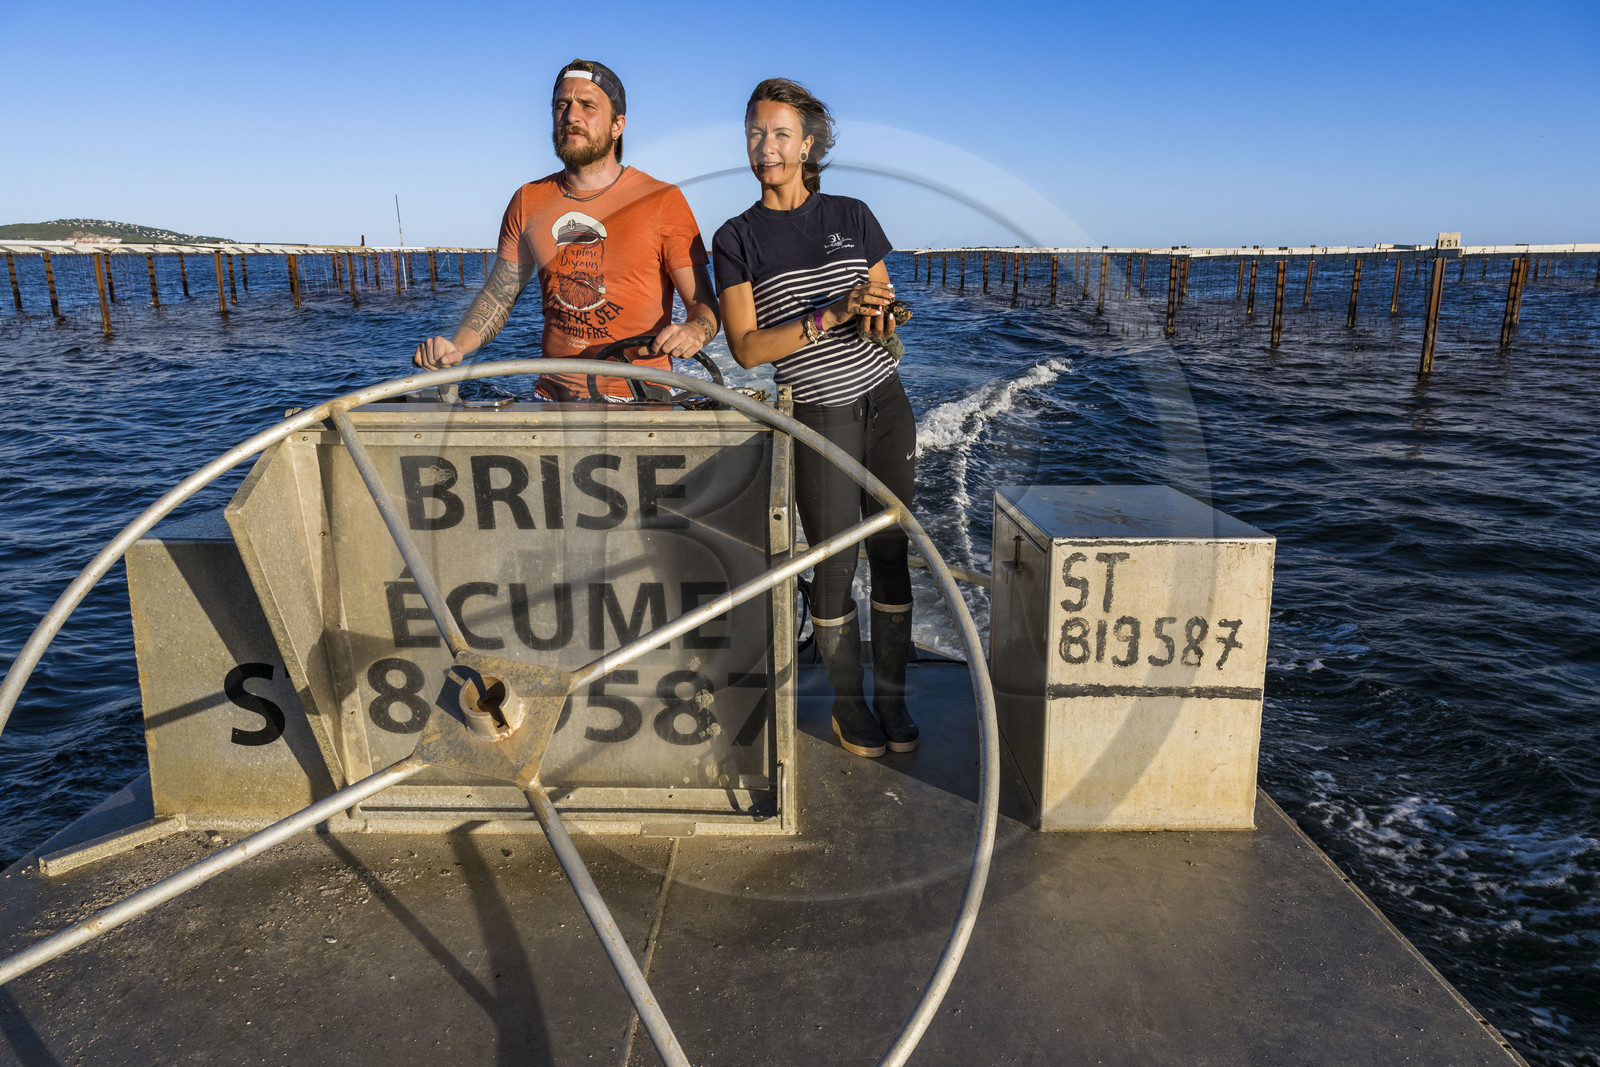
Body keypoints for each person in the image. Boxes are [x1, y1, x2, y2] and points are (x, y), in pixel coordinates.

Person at [712, 78, 917, 759]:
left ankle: (893, 698)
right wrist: (831, 313)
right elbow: (747, 349)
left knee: (892, 553)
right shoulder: (736, 238)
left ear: (807, 146)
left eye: (780, 134)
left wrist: (884, 314)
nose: (765, 146)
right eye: (755, 133)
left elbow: (882, 298)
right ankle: (849, 706)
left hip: (886, 404)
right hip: (820, 416)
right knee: (834, 568)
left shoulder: (853, 216)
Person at [414, 59, 719, 401]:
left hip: (639, 398)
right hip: (550, 398)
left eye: (588, 105)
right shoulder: (527, 200)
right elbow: (498, 296)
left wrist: (695, 331)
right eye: (562, 105)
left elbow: (703, 306)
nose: (571, 115)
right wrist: (457, 346)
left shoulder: (663, 200)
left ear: (617, 125)